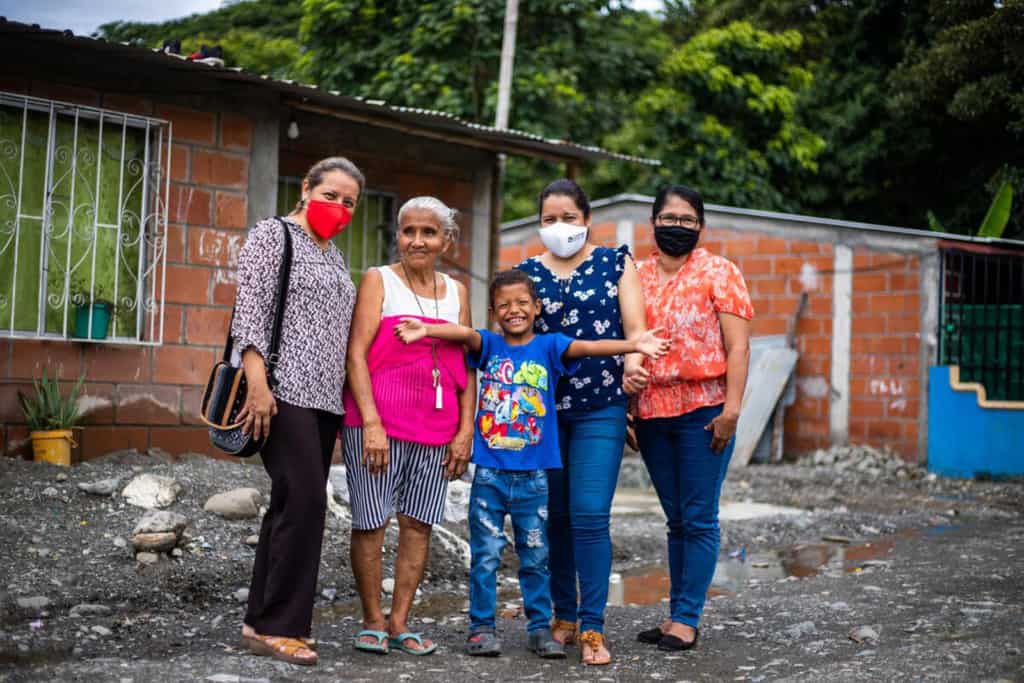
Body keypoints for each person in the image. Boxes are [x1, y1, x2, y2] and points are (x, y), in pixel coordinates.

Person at [394, 269, 669, 660]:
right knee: (485, 555)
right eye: (504, 305)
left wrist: (632, 344)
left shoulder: (550, 346)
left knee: (536, 557)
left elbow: (589, 348)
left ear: (537, 307)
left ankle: (540, 628)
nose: (514, 310)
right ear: (493, 311)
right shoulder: (488, 344)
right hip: (489, 474)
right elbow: (463, 334)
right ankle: (481, 628)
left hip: (534, 477)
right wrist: (426, 329)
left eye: (522, 302)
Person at [235, 156, 365, 666]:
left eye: (348, 202)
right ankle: (281, 627)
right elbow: (250, 315)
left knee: (289, 503)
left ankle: (258, 621)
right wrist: (258, 386)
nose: (338, 207)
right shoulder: (274, 236)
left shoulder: (333, 254)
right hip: (281, 390)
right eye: (330, 194)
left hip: (324, 399)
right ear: (306, 190)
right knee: (308, 501)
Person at [515, 179, 650, 665]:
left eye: (568, 217)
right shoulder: (525, 273)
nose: (559, 227)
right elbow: (512, 338)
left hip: (601, 407)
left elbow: (635, 332)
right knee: (556, 518)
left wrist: (634, 366)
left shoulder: (617, 262)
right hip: (542, 413)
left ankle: (593, 627)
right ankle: (564, 617)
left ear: (587, 219)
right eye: (549, 219)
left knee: (590, 512)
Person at [343, 196, 474, 656]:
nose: (417, 240)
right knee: (371, 521)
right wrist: (372, 422)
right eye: (408, 231)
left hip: (436, 430)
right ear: (397, 235)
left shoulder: (457, 292)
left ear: (446, 240)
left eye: (429, 232)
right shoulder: (378, 280)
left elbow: (468, 367)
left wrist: (465, 430)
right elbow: (356, 354)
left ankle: (400, 621)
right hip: (376, 425)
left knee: (418, 524)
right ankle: (372, 618)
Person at [632, 184, 753, 652]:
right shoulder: (635, 275)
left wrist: (733, 409)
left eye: (686, 220)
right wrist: (628, 409)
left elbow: (738, 346)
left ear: (700, 226)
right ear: (653, 222)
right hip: (652, 411)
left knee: (699, 517)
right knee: (675, 518)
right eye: (668, 218)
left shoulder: (720, 272)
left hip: (705, 410)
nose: (676, 227)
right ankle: (674, 613)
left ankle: (686, 619)